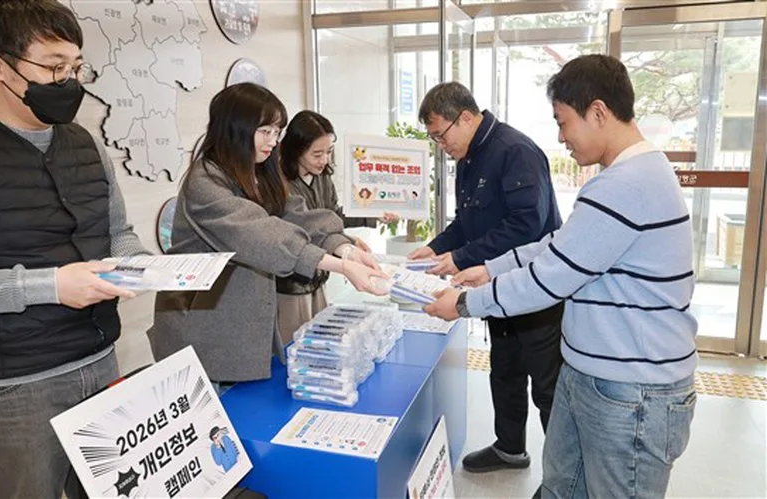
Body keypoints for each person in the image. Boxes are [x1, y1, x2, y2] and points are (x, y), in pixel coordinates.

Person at [425, 55, 697, 498]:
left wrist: (463, 303)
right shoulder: (625, 177)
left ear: (598, 112)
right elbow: (562, 244)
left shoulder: (625, 185)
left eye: (563, 121)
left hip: (631, 391)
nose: (561, 137)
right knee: (560, 487)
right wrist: (491, 268)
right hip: (596, 373)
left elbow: (552, 276)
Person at [0, 1, 148, 497]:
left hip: (99, 360)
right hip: (13, 388)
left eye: (75, 67)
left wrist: (138, 264)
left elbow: (118, 232)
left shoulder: (84, 142)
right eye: (53, 67)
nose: (68, 81)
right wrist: (51, 285)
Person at [148, 84, 386, 386]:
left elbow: (298, 215)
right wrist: (340, 266)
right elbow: (261, 234)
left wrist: (346, 249)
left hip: (242, 319)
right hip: (204, 326)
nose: (274, 141)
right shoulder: (205, 182)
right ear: (235, 127)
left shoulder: (258, 170)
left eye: (277, 132)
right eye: (266, 132)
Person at [409, 81, 564, 473]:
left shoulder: (516, 151)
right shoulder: (469, 158)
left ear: (465, 117)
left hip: (535, 288)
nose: (441, 145)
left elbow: (527, 225)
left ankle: (565, 477)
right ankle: (510, 449)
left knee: (548, 389)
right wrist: (436, 247)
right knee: (505, 371)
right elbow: (468, 221)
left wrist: (460, 257)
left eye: (441, 135)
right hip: (494, 286)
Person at [276, 110, 398, 343]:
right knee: (294, 348)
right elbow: (307, 228)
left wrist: (371, 217)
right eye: (317, 154)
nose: (325, 161)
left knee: (321, 343)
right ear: (296, 150)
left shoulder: (322, 176)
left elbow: (332, 216)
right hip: (291, 284)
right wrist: (346, 246)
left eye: (329, 152)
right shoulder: (281, 183)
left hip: (319, 277)